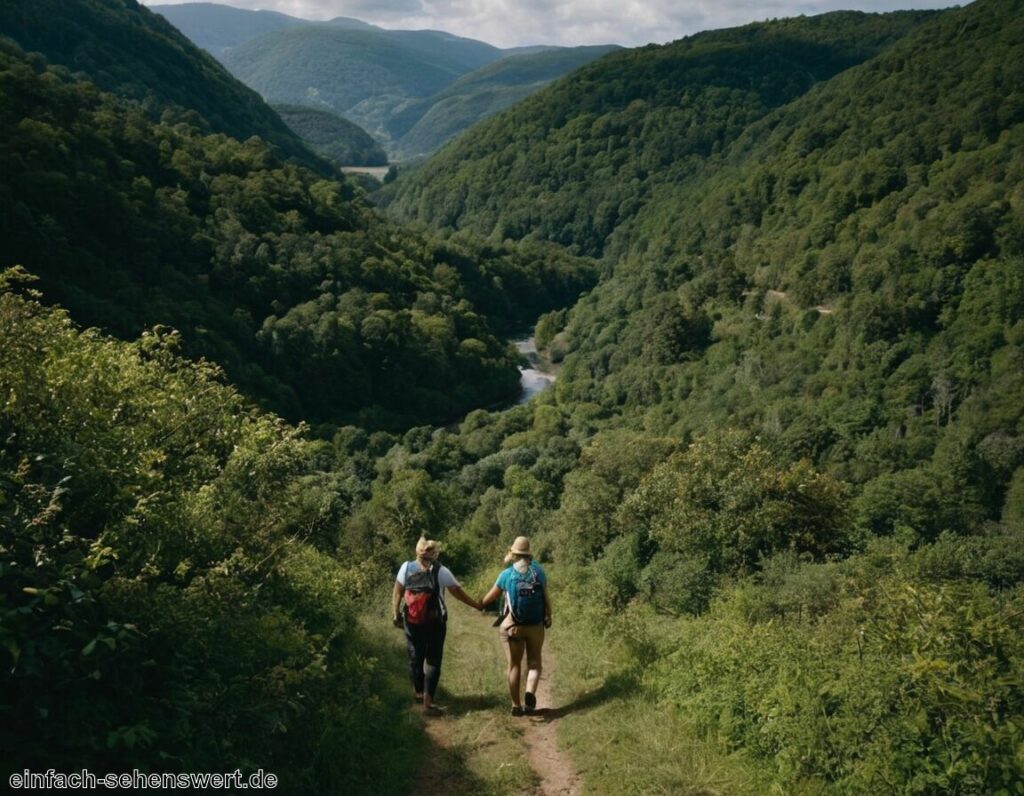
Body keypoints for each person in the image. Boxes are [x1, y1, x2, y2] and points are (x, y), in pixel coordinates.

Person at [392, 537, 481, 715]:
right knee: (433, 660)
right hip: (435, 623)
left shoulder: (406, 568)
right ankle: (428, 702)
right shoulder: (441, 571)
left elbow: (397, 591)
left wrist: (396, 613)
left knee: (415, 656)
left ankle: (417, 693)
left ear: (417, 552)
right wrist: (476, 605)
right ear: (434, 553)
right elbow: (457, 592)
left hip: (412, 622)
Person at [479, 536, 551, 716]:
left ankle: (516, 706)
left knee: (514, 665)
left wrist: (478, 604)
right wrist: (548, 615)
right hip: (535, 626)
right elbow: (546, 598)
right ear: (528, 554)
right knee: (534, 664)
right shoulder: (539, 572)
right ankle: (529, 694)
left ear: (514, 554)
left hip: (514, 627)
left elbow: (489, 598)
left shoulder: (507, 575)